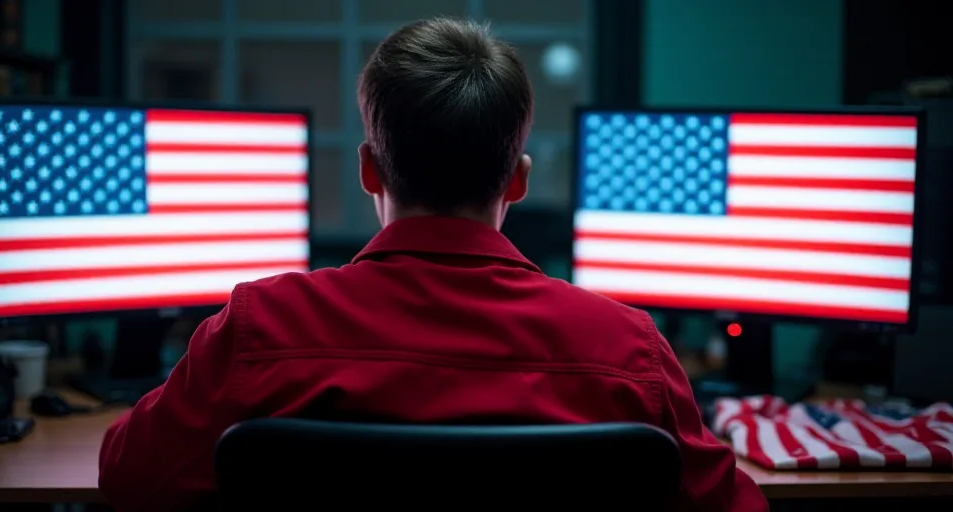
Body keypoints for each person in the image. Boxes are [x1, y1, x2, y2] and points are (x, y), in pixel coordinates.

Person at [98, 17, 768, 512]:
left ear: (367, 170)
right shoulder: (627, 349)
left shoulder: (256, 328)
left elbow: (129, 479)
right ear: (518, 180)